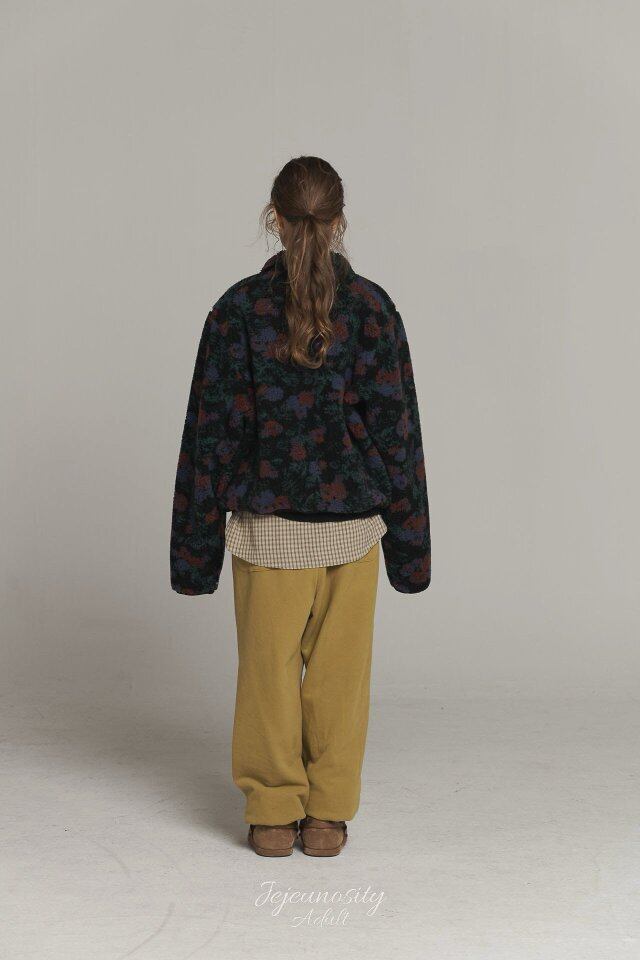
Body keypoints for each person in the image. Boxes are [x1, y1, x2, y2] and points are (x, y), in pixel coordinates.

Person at [170, 156, 430, 857]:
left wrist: (195, 556)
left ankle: (271, 813)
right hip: (354, 535)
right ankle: (328, 815)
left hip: (268, 535)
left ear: (274, 219)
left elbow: (210, 438)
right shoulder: (372, 309)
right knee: (340, 681)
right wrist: (411, 552)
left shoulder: (236, 312)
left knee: (267, 677)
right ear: (339, 221)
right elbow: (398, 434)